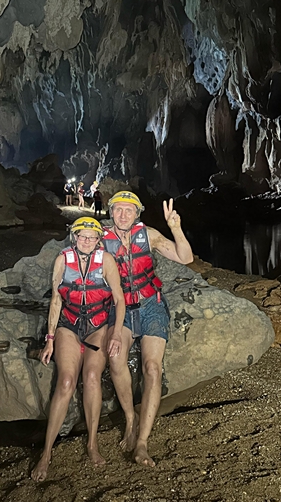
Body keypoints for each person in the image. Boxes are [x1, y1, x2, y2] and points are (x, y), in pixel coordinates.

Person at [102, 191, 193, 468]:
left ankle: (142, 442)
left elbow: (186, 258)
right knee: (115, 359)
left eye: (129, 210)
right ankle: (130, 418)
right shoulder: (101, 240)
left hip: (151, 305)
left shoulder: (149, 235)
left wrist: (176, 228)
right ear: (111, 212)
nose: (123, 215)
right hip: (121, 309)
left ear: (137, 214)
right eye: (118, 209)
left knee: (152, 368)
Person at [31, 217, 126, 482]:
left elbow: (119, 299)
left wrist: (116, 332)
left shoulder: (106, 261)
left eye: (91, 237)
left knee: (92, 377)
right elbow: (56, 300)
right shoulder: (62, 260)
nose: (86, 241)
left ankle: (92, 444)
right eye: (81, 236)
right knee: (66, 381)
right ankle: (46, 453)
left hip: (98, 326)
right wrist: (50, 339)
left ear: (98, 240)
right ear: (74, 237)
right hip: (69, 325)